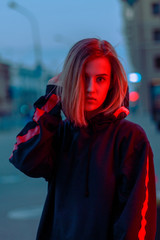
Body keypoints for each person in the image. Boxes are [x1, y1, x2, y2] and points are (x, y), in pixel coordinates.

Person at [9, 38, 157, 240]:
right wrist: (51, 100)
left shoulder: (130, 137)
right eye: (82, 77)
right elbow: (25, 160)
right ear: (69, 80)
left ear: (112, 83)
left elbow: (138, 219)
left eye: (100, 79)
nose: (90, 88)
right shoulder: (60, 133)